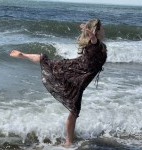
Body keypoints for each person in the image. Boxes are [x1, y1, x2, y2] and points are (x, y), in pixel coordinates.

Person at [10, 19, 107, 148]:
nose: (104, 30)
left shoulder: (100, 46)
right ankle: (69, 141)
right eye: (102, 28)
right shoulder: (94, 43)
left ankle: (69, 141)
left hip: (78, 77)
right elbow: (93, 40)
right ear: (97, 31)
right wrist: (91, 34)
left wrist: (91, 34)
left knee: (74, 111)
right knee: (73, 109)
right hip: (74, 73)